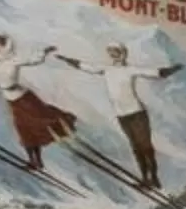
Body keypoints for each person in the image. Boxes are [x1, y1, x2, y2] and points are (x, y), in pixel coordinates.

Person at [62, 41, 179, 190]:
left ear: (123, 54)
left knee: (145, 146)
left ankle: (154, 178)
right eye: (111, 53)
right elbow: (86, 66)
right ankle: (145, 179)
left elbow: (155, 72)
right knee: (136, 147)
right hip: (122, 115)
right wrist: (67, 60)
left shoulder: (130, 69)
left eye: (116, 52)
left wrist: (172, 69)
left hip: (137, 113)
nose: (113, 56)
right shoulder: (107, 69)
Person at [0, 32, 76, 176]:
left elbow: (33, 59)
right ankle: (36, 162)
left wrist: (44, 51)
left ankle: (64, 124)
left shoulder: (14, 60)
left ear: (4, 46)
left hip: (24, 98)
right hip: (13, 101)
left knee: (40, 122)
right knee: (24, 131)